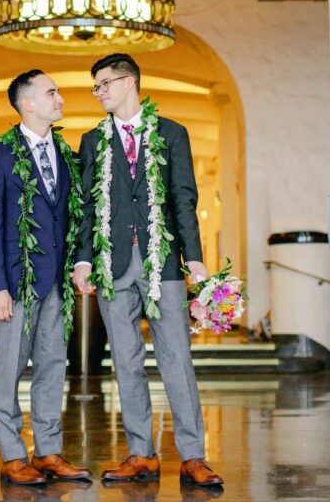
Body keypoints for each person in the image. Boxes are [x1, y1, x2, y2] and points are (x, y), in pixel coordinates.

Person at [72, 52, 223, 488]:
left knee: (176, 357)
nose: (98, 92)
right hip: (112, 264)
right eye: (95, 86)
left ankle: (193, 456)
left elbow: (183, 198)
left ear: (129, 82)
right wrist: (84, 258)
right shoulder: (92, 140)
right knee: (126, 360)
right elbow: (87, 206)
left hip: (164, 263)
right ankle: (141, 454)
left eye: (103, 83)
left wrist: (194, 257)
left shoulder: (172, 133)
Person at [0, 69, 91, 486]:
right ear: (27, 103)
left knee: (52, 367)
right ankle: (12, 456)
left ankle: (47, 452)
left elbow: (72, 217)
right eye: (52, 92)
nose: (60, 99)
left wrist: (79, 263)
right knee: (9, 368)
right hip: (16, 282)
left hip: (57, 283)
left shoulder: (67, 155)